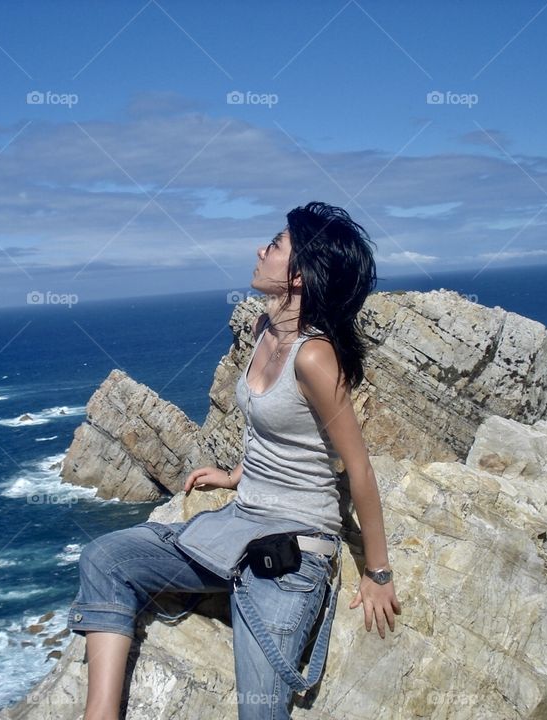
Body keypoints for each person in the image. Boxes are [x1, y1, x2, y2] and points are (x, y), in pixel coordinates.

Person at [67, 201, 402, 719]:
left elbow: (357, 467)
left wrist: (377, 574)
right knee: (105, 560)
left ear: (298, 274)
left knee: (260, 710)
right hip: (237, 523)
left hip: (291, 549)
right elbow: (281, 434)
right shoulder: (265, 331)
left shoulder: (314, 356)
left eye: (275, 245)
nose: (259, 250)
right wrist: (234, 475)